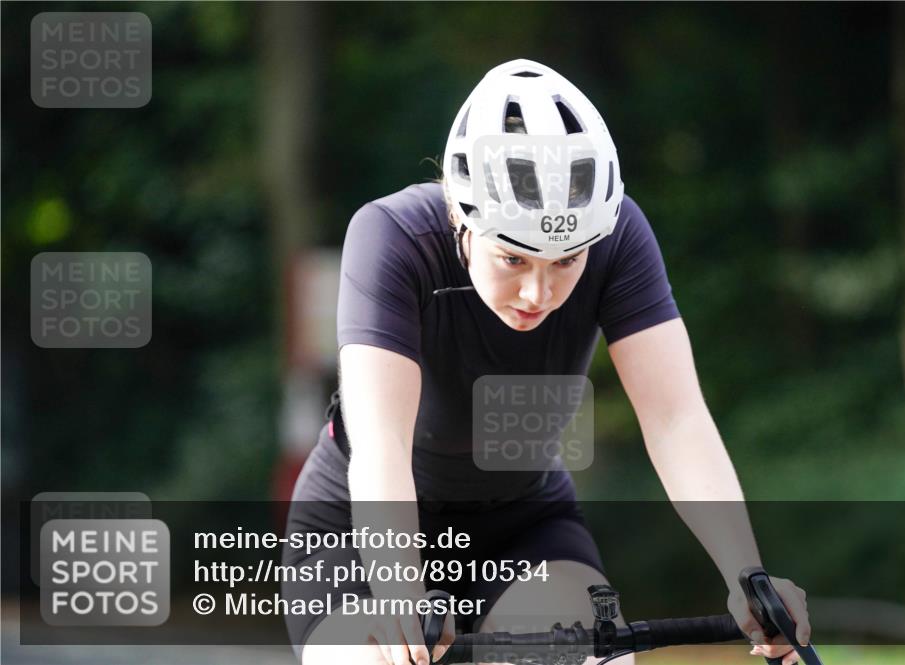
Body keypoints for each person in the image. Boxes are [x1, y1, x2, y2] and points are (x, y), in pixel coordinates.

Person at [283, 59, 811, 665]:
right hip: (360, 529)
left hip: (521, 521)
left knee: (593, 657)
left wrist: (748, 576)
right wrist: (400, 590)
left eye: (566, 261)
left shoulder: (618, 235)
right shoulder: (393, 237)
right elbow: (382, 445)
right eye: (513, 259)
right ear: (459, 213)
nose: (538, 293)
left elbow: (675, 419)